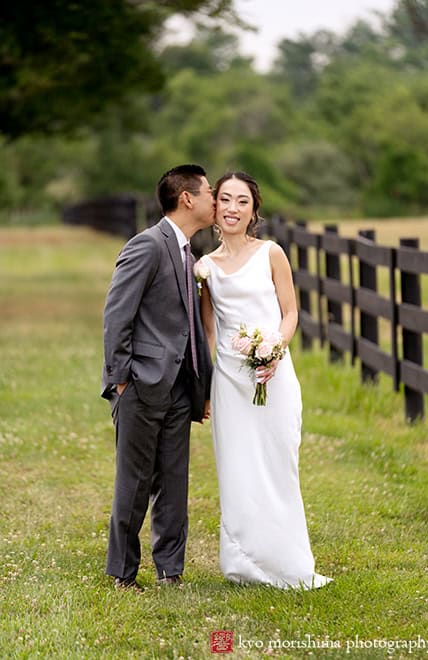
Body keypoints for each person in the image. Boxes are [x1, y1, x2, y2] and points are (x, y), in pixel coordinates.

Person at [198, 171, 332, 589]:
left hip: (274, 375)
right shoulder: (205, 267)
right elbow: (208, 331)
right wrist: (205, 386)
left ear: (254, 209)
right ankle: (243, 563)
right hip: (230, 384)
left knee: (278, 463)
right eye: (225, 199)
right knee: (237, 469)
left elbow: (290, 312)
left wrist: (275, 347)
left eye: (242, 201)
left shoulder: (272, 253)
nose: (232, 208)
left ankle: (288, 564)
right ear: (214, 207)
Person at [102, 164, 214, 591]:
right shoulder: (147, 246)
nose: (214, 201)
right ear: (187, 198)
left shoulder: (188, 252)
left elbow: (188, 325)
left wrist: (199, 385)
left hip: (180, 388)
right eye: (209, 193)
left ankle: (171, 570)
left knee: (173, 482)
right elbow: (117, 315)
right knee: (133, 483)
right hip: (142, 384)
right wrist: (121, 380)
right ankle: (122, 573)